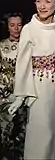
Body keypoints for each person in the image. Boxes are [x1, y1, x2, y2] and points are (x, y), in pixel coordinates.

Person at [8, 0, 55, 159]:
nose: (42, 6)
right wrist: (21, 95)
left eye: (47, 2)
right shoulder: (29, 29)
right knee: (42, 133)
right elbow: (23, 63)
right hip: (38, 89)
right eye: (38, 0)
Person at [0, 12, 27, 160]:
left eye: (19, 25)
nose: (16, 28)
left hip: (24, 93)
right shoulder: (1, 46)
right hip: (4, 95)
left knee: (23, 134)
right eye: (12, 25)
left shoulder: (29, 46)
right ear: (7, 27)